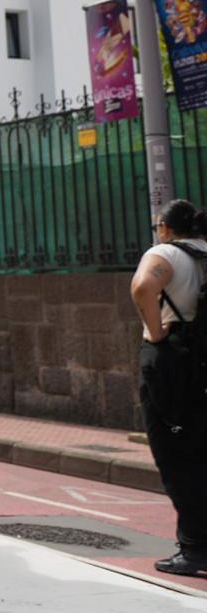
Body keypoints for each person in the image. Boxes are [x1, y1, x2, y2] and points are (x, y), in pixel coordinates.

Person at [131, 198, 207, 578]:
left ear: (165, 227)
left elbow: (144, 286)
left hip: (174, 362)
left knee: (177, 455)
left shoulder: (166, 253)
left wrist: (157, 332)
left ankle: (195, 549)